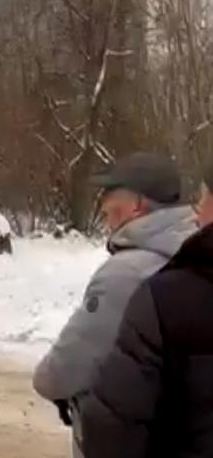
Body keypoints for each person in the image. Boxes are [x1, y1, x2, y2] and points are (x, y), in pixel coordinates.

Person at [33, 152, 195, 457]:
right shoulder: (195, 254)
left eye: (111, 194)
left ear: (137, 204)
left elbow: (65, 368)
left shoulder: (125, 273)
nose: (104, 204)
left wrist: (50, 384)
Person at [82, 164, 213, 458]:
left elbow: (112, 422)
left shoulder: (158, 291)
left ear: (137, 205)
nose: (197, 212)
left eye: (204, 200)